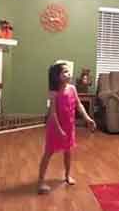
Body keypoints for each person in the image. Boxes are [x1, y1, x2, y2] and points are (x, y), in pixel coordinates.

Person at [38, 63, 96, 194]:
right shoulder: (53, 92)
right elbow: (52, 114)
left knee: (68, 152)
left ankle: (67, 175)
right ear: (56, 76)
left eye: (68, 72)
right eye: (64, 72)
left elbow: (79, 105)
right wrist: (59, 130)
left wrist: (87, 118)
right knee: (48, 153)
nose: (68, 74)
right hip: (55, 127)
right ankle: (41, 181)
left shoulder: (72, 89)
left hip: (69, 126)